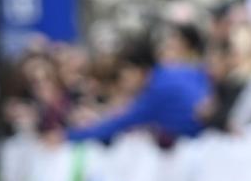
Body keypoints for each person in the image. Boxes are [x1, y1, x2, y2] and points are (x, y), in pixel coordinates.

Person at [64, 23, 212, 147]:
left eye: (125, 74)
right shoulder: (182, 71)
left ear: (138, 70)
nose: (123, 81)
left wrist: (69, 136)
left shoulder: (156, 91)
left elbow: (118, 124)